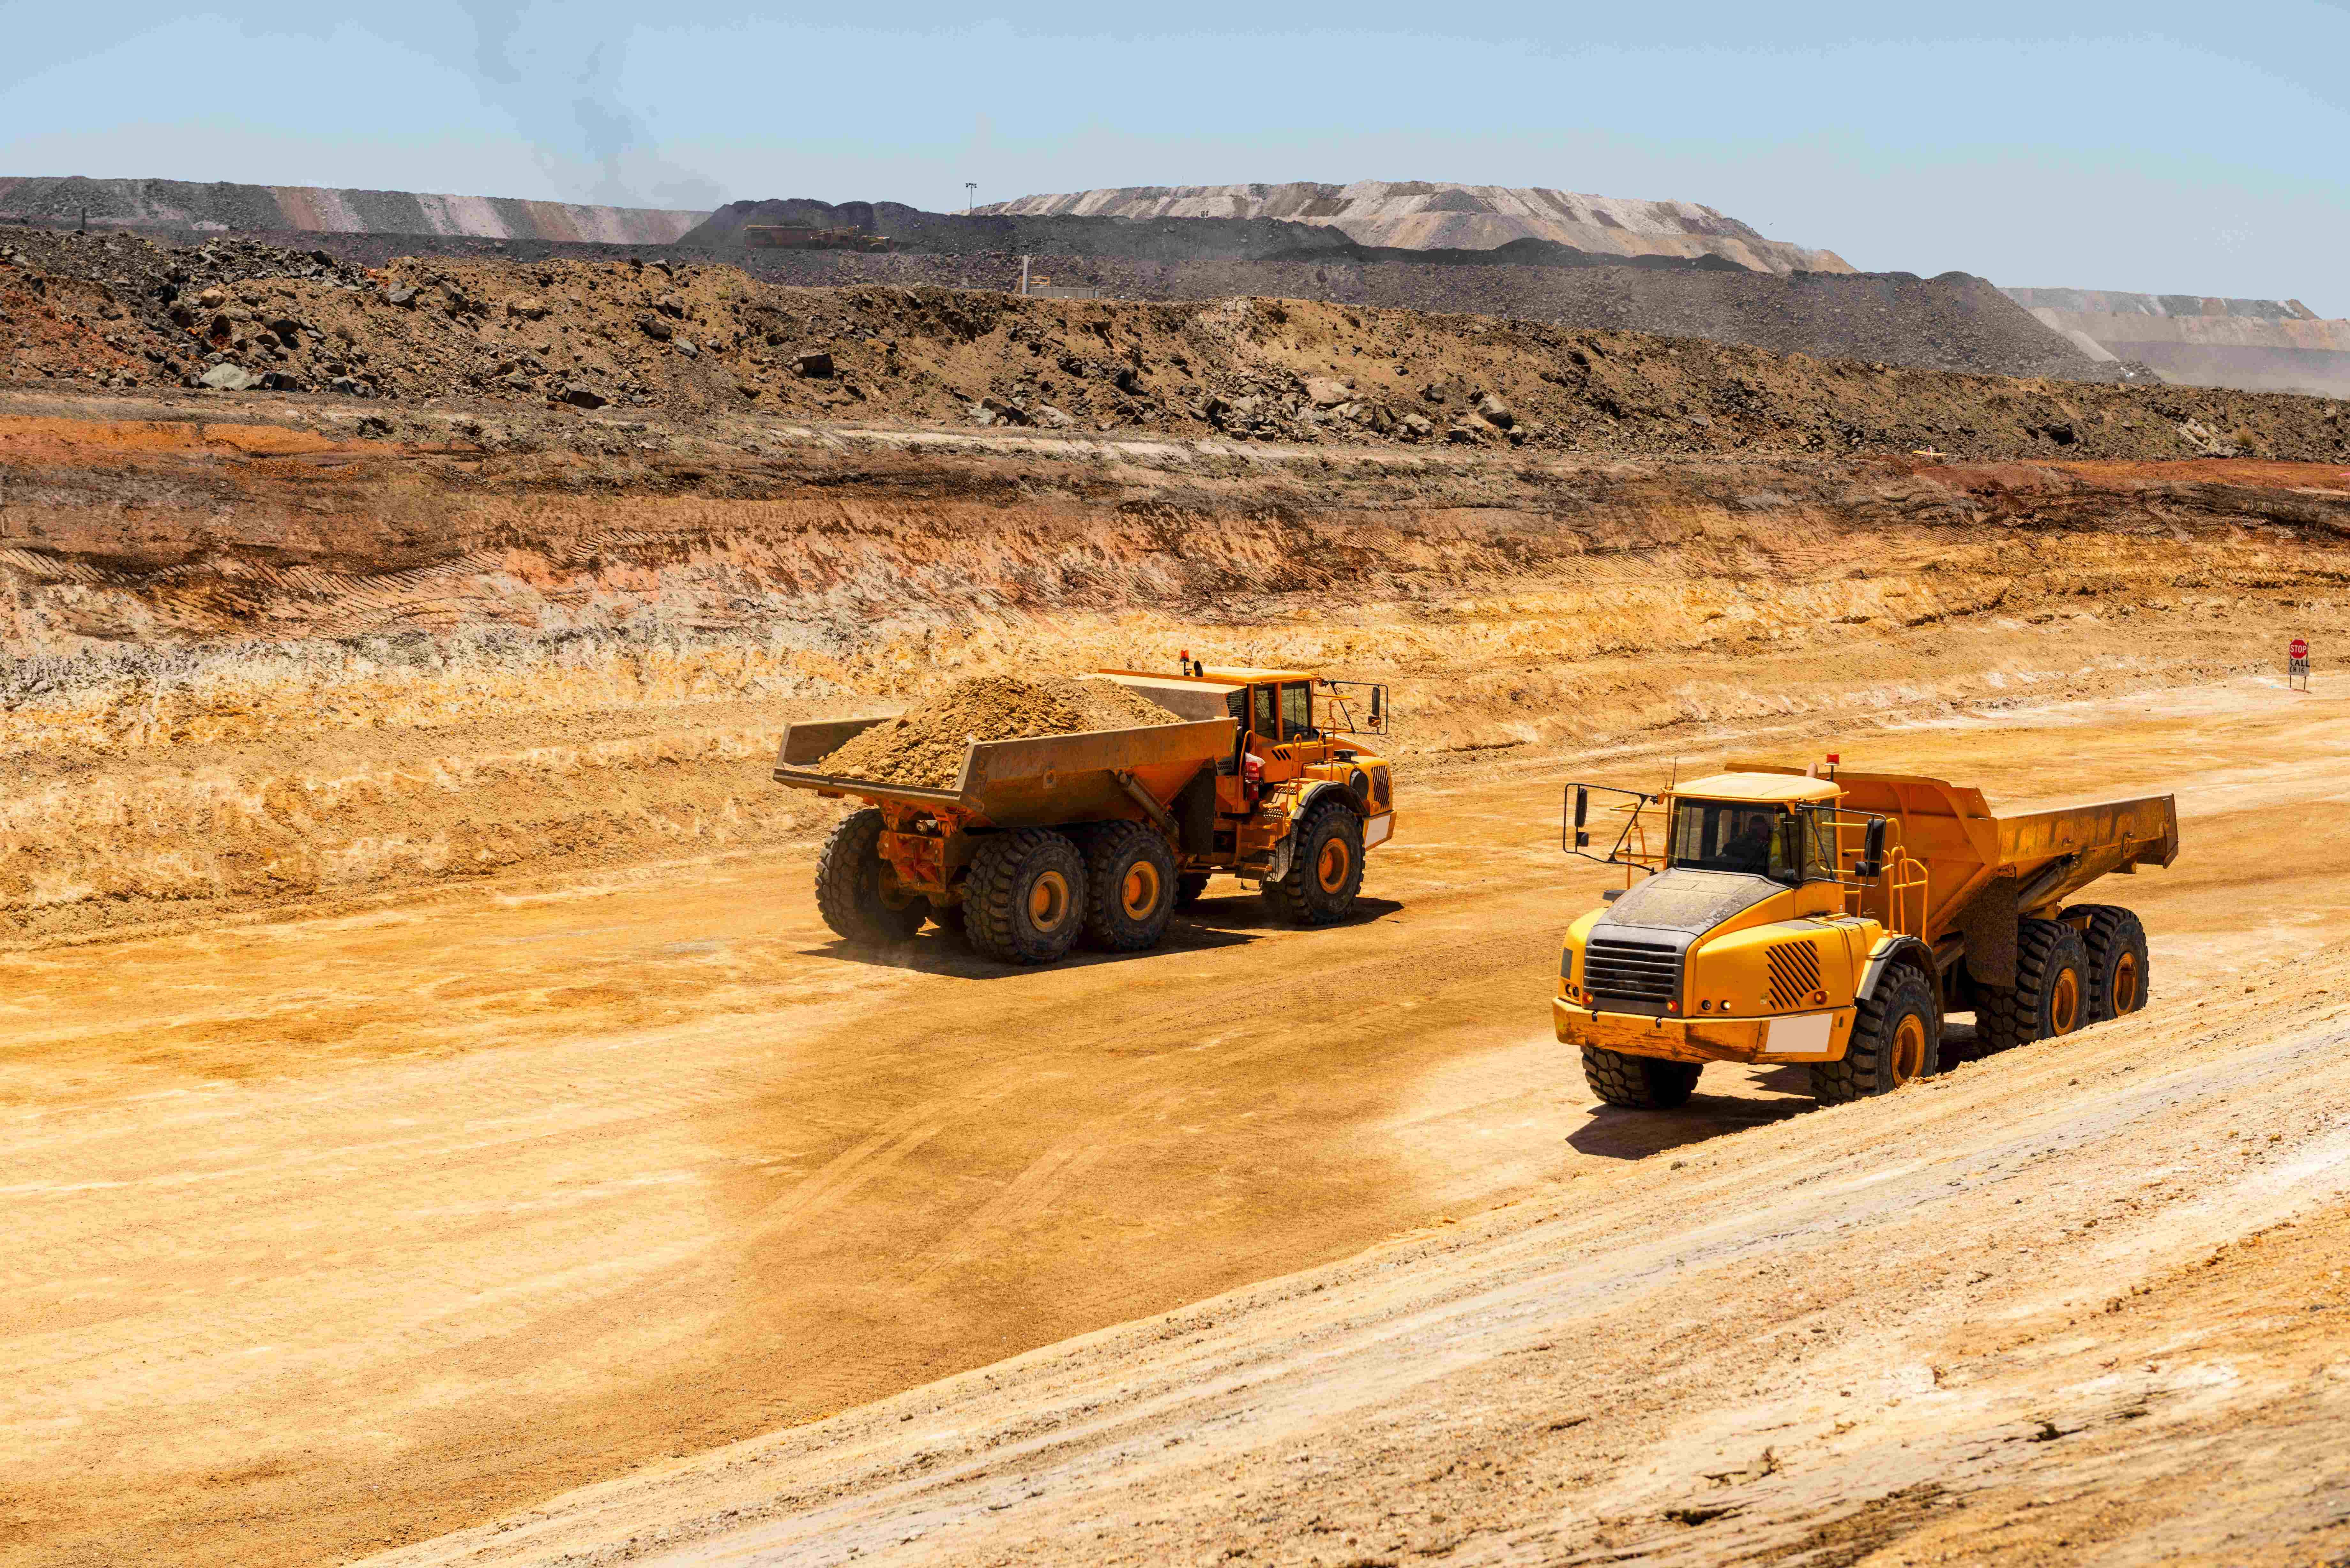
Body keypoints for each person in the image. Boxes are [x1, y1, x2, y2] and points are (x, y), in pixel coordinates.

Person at [1723, 811, 1776, 875]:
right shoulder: (1744, 839)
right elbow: (1726, 848)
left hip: (1769, 874)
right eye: (1755, 831)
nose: (1758, 833)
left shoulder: (1775, 839)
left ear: (1767, 828)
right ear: (1750, 830)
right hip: (1746, 873)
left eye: (1761, 829)